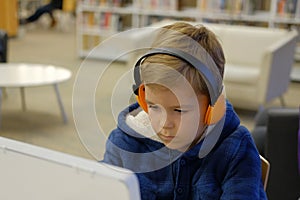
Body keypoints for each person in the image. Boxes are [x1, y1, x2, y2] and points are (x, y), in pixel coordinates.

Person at [102, 21, 267, 199]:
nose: (165, 124)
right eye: (153, 106)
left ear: (212, 108)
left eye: (179, 110)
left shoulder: (236, 149)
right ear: (142, 97)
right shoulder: (123, 142)